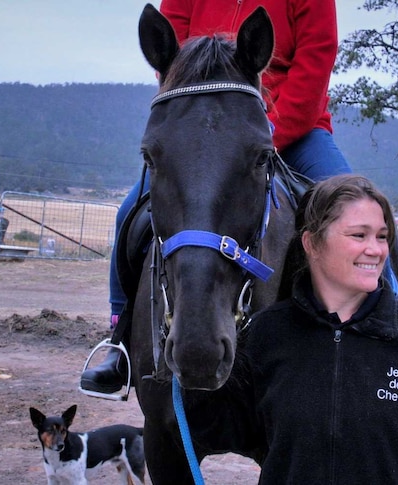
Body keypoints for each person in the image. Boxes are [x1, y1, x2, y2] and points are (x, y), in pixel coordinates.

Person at [81, 0, 363, 394]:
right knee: (131, 211)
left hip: (292, 125)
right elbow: (173, 57)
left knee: (358, 214)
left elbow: (316, 60)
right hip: (204, 130)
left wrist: (259, 137)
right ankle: (120, 339)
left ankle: (383, 340)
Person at [243, 174, 398, 483]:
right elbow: (217, 426)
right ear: (312, 243)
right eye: (359, 235)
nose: (377, 250)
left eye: (382, 236)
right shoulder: (266, 334)